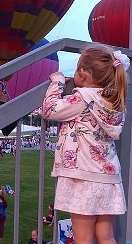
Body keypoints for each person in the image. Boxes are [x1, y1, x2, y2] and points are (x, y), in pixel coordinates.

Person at [40, 46, 129, 243]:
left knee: (83, 239)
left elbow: (50, 109)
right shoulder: (113, 101)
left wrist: (58, 82)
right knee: (106, 237)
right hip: (107, 178)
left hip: (83, 178)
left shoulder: (82, 98)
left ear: (83, 73)